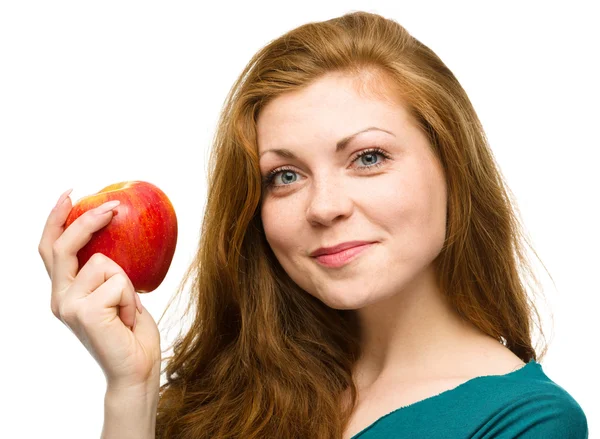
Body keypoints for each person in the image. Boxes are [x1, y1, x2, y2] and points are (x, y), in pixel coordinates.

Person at [38, 10, 588, 439]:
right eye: (284, 175)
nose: (323, 207)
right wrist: (131, 391)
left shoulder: (528, 422)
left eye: (368, 157)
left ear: (453, 168)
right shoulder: (229, 393)